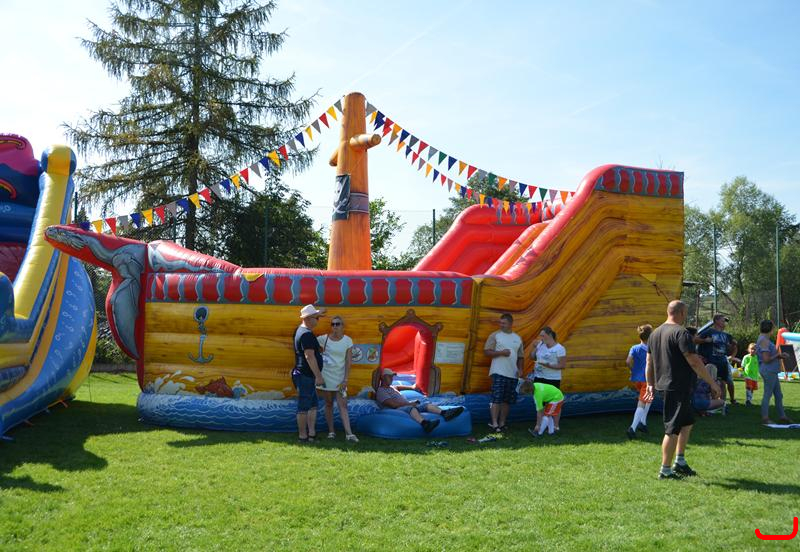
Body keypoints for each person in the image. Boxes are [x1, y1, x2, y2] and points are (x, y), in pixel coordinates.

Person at [644, 300, 721, 480]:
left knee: (687, 422)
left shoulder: (655, 334)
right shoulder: (681, 333)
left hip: (673, 386)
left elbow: (649, 362)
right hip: (676, 387)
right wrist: (712, 383)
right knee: (672, 429)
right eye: (685, 312)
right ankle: (665, 470)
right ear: (681, 313)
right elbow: (694, 361)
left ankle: (680, 461)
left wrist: (650, 384)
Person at [375, 368, 464, 433]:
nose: (391, 378)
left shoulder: (391, 387)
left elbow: (398, 387)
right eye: (389, 376)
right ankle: (425, 424)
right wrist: (410, 404)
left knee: (426, 404)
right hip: (397, 409)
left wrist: (412, 387)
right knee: (411, 408)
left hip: (406, 405)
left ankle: (445, 413)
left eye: (392, 376)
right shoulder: (381, 391)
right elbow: (393, 405)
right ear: (383, 377)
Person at [318, 315, 358, 442]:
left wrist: (346, 379)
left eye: (337, 324)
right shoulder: (323, 338)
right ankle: (331, 432)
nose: (335, 326)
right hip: (326, 377)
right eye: (333, 324)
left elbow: (348, 361)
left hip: (340, 379)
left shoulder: (348, 340)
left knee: (343, 405)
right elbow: (310, 344)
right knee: (328, 404)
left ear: (342, 326)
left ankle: (349, 434)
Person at [484, 313, 525, 432]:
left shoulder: (517, 338)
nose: (501, 325)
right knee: (496, 398)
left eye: (504, 323)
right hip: (498, 371)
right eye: (500, 323)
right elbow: (487, 352)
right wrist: (501, 353)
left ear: (511, 324)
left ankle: (502, 423)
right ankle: (494, 423)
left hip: (512, 373)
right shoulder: (495, 335)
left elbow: (521, 357)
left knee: (507, 400)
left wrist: (520, 369)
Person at [293, 304, 326, 442]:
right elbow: (309, 356)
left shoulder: (301, 330)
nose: (318, 320)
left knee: (313, 406)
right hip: (306, 375)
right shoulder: (306, 334)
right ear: (308, 319)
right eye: (316, 318)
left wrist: (317, 348)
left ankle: (311, 434)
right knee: (304, 407)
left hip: (306, 375)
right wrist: (319, 376)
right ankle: (303, 437)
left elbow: (308, 351)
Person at [756, 320, 793, 425]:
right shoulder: (764, 340)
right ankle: (765, 418)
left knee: (778, 395)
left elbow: (767, 357)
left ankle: (782, 416)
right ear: (771, 329)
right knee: (767, 394)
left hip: (771, 370)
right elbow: (766, 359)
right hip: (769, 371)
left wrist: (780, 356)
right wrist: (778, 355)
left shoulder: (763, 338)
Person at [696, 314, 736, 405]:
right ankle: (712, 402)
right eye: (723, 320)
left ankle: (722, 404)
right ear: (716, 321)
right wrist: (705, 340)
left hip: (723, 362)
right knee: (711, 383)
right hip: (711, 363)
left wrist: (733, 351)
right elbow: (695, 340)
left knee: (722, 383)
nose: (724, 323)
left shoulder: (727, 335)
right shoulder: (709, 331)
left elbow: (732, 348)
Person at [626, 324, 653, 439]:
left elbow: (628, 362)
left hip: (636, 379)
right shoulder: (652, 349)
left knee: (648, 398)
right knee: (642, 402)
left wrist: (632, 370)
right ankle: (632, 428)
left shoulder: (634, 348)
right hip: (647, 379)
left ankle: (643, 423)